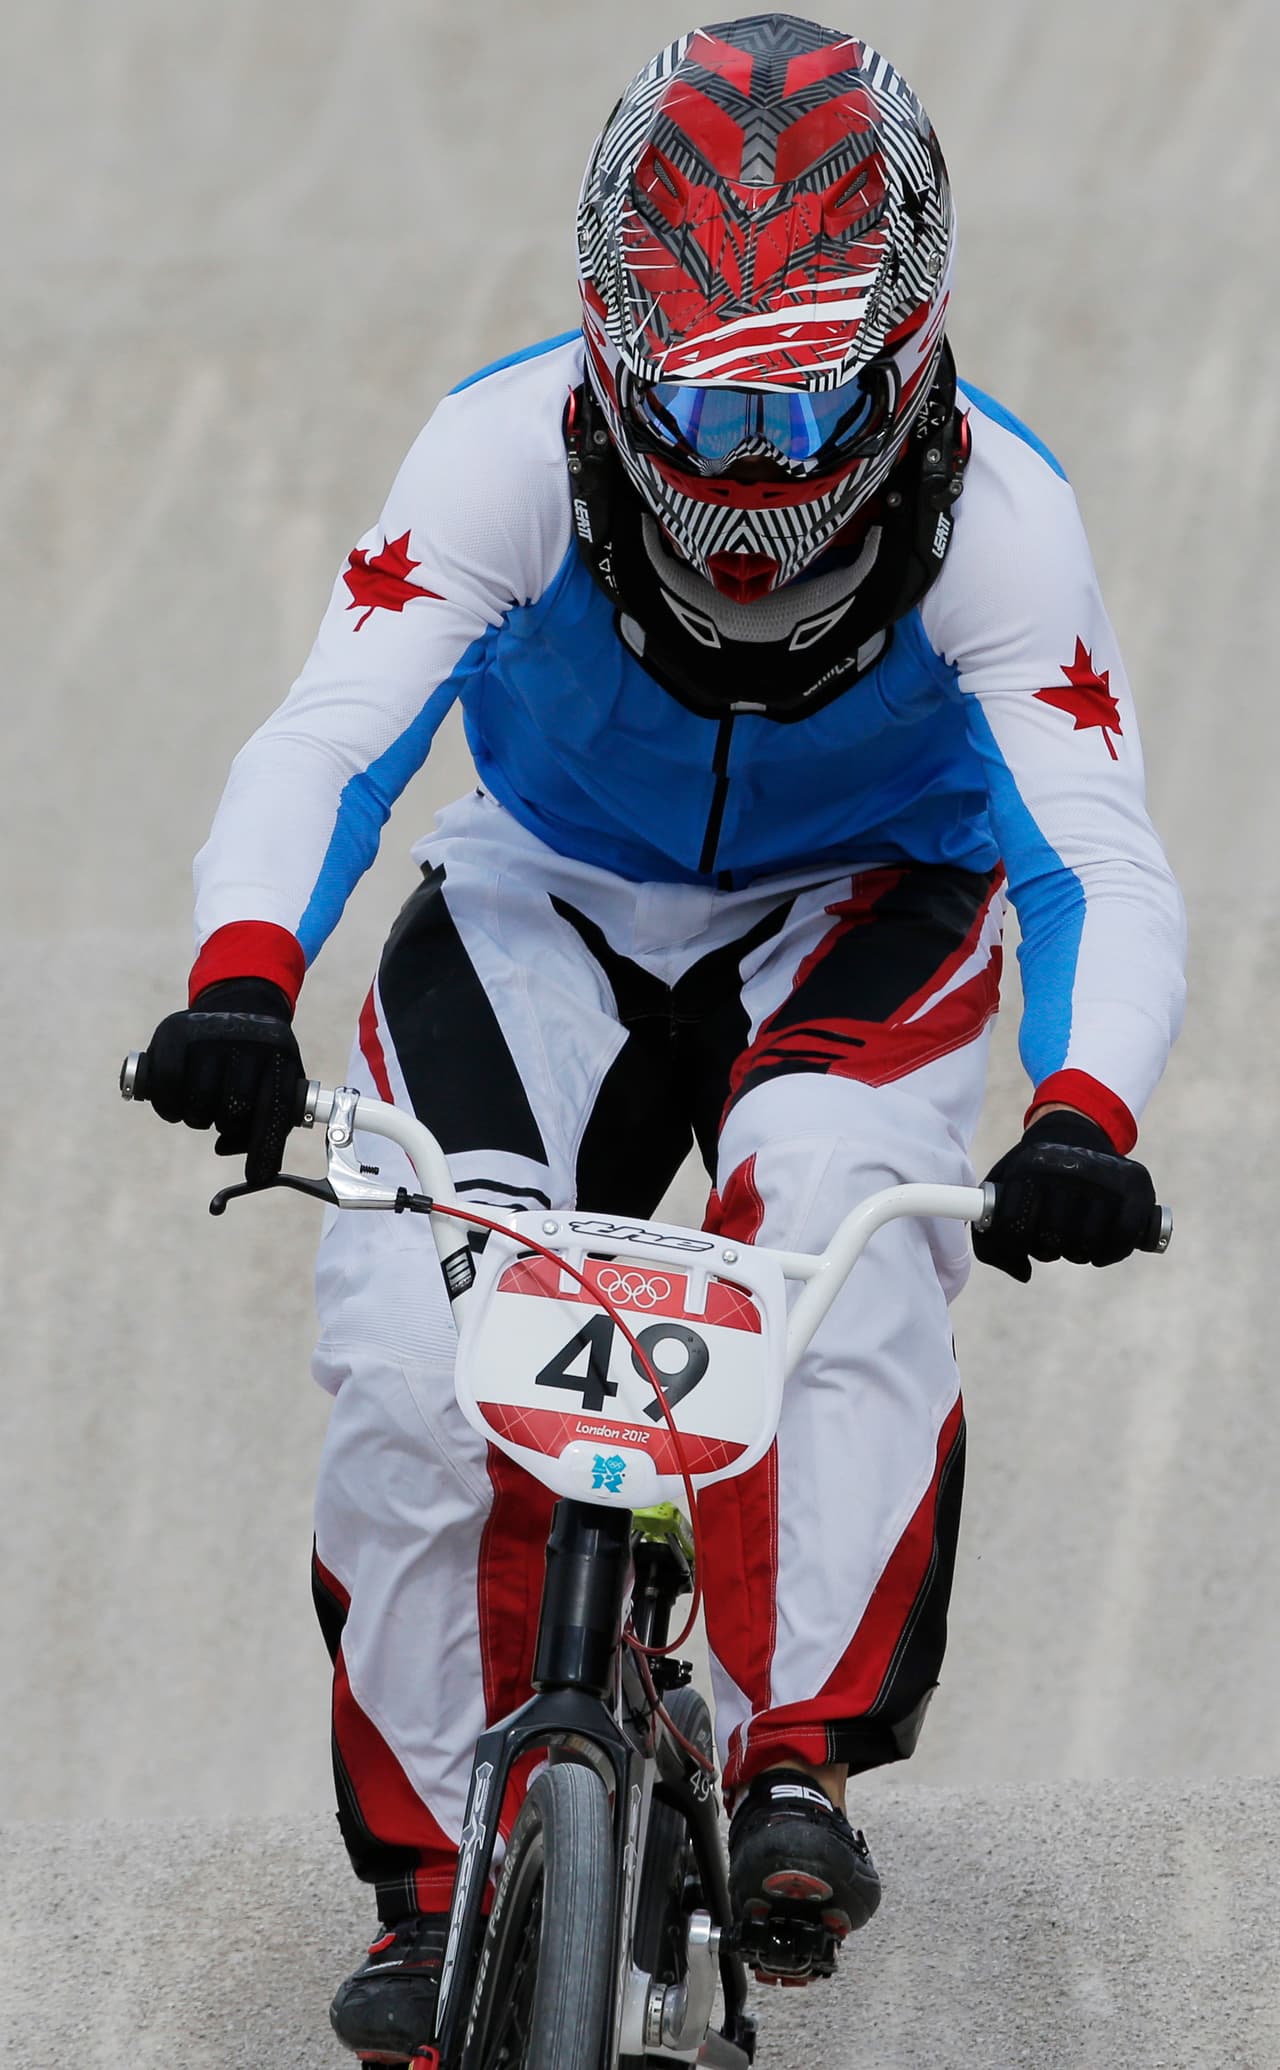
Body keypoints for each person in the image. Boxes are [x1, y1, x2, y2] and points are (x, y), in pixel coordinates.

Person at [143, 13, 1185, 2060]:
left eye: (792, 428)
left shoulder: (1011, 526)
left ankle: (797, 1749)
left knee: (842, 1212)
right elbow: (330, 737)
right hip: (545, 883)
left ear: (901, 370)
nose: (733, 480)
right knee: (396, 1327)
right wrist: (245, 971)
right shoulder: (493, 448)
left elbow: (1092, 863)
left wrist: (1082, 1109)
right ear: (612, 354)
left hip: (866, 899)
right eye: (690, 410)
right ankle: (436, 1874)